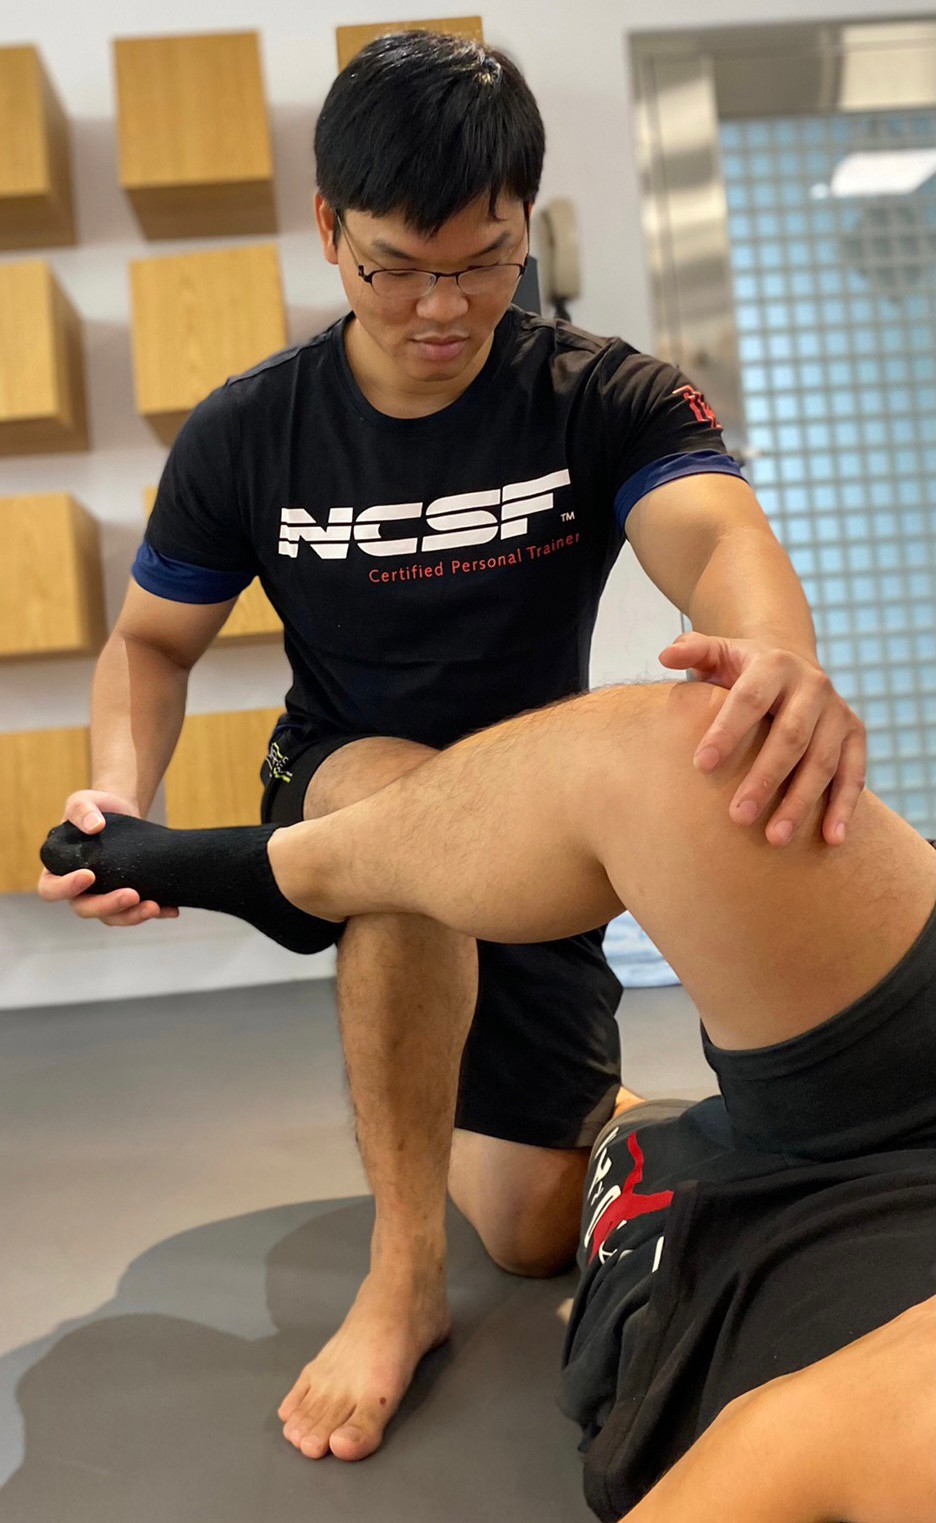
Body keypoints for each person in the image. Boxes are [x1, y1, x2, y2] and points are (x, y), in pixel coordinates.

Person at [35, 30, 869, 1464]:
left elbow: (716, 534)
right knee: (394, 821)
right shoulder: (249, 432)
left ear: (523, 224)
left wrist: (777, 654)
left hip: (540, 824)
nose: (442, 306)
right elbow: (152, 642)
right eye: (396, 268)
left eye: (483, 262)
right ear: (329, 230)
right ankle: (399, 1275)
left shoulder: (602, 395)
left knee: (533, 1227)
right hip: (341, 782)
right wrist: (122, 787)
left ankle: (606, 1123)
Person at [40, 676, 936, 1521]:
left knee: (526, 1219)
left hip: (782, 1261)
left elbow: (804, 1435)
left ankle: (622, 1114)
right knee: (698, 745)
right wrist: (782, 659)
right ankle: (283, 874)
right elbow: (153, 643)